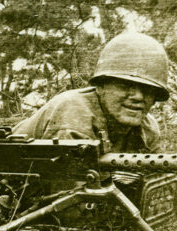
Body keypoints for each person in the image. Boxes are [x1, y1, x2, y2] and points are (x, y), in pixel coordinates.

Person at [12, 31, 168, 150]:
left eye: (148, 90)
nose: (138, 97)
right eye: (125, 86)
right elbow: (68, 189)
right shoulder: (74, 116)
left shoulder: (147, 129)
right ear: (101, 87)